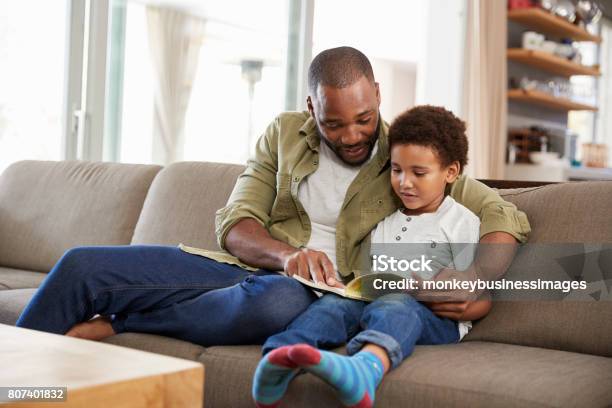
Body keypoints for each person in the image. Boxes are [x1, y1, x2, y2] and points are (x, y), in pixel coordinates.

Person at [16, 47, 528, 350]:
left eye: (364, 119)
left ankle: (120, 321)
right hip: (245, 268)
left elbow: (501, 211)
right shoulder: (283, 134)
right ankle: (15, 386)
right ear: (311, 107)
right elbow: (237, 221)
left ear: (377, 94)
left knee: (279, 302)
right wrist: (287, 256)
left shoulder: (405, 157)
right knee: (81, 265)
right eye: (333, 123)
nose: (352, 135)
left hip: (319, 293)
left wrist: (478, 277)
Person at [252, 105, 493, 408]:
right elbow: (372, 279)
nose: (405, 182)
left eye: (419, 173)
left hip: (434, 319)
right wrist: (348, 288)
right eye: (397, 170)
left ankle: (367, 366)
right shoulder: (384, 222)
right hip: (377, 303)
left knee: (399, 303)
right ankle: (280, 357)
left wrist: (458, 300)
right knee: (334, 304)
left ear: (451, 172)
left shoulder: (461, 222)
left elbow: (482, 298)